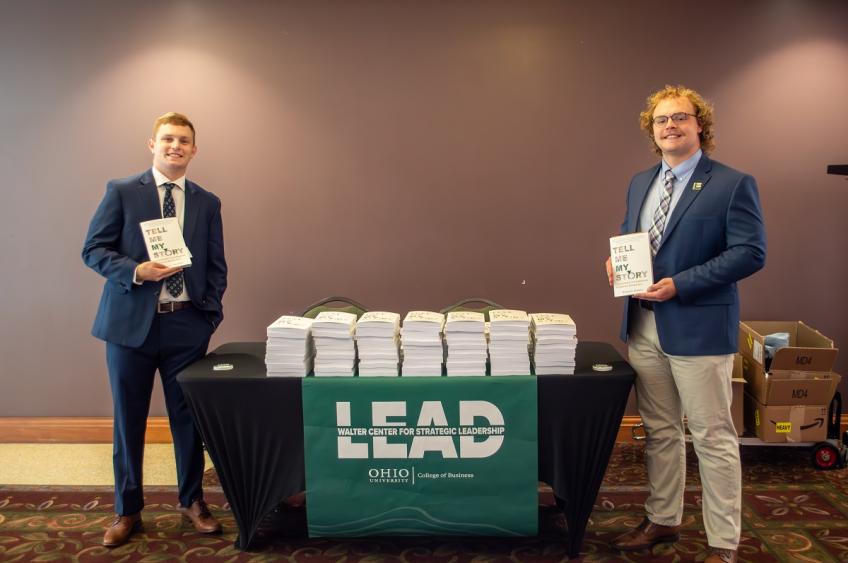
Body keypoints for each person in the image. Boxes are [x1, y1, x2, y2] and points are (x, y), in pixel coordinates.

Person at [605, 85, 766, 563]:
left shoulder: (732, 183)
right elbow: (631, 234)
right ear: (651, 130)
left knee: (713, 437)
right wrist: (615, 259)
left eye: (680, 117)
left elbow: (750, 253)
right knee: (659, 430)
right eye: (660, 120)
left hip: (698, 326)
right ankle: (663, 519)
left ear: (701, 125)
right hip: (644, 325)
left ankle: (723, 544)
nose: (670, 125)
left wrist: (682, 284)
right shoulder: (640, 181)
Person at [82, 112, 228, 547]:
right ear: (152, 144)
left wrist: (209, 316)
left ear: (194, 149)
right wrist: (137, 271)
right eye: (167, 139)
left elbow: (217, 266)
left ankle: (192, 501)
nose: (175, 146)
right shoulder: (123, 192)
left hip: (186, 325)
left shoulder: (207, 202)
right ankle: (127, 510)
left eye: (183, 140)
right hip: (130, 328)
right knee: (129, 420)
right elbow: (93, 249)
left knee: (188, 420)